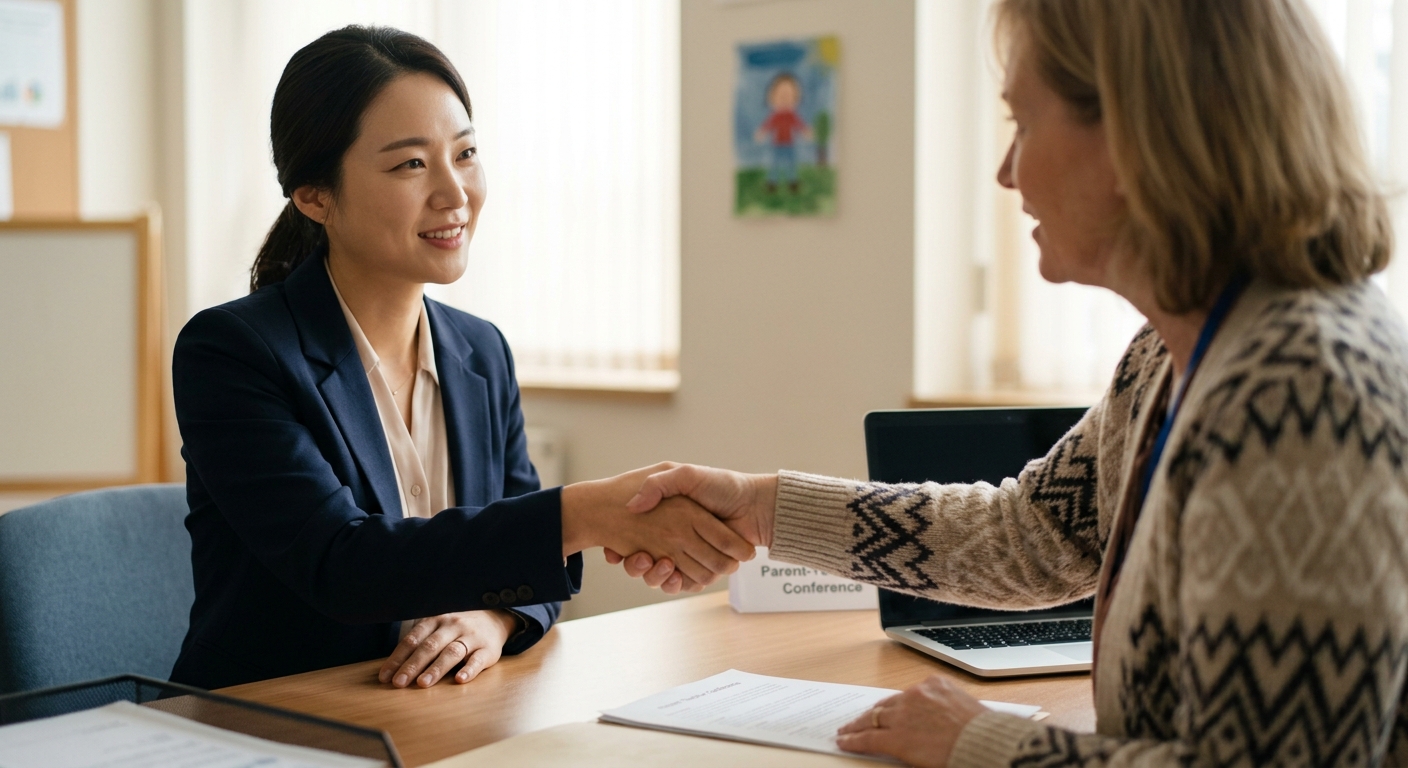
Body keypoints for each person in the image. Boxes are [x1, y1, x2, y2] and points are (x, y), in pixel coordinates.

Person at [615, 0, 1408, 765]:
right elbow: (1034, 536)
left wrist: (989, 745)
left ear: (1139, 138)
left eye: (1022, 125)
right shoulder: (1172, 353)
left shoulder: (1302, 399)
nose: (1003, 171)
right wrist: (762, 508)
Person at [170, 26, 752, 692]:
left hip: (442, 716)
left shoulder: (480, 352)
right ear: (314, 196)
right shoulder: (232, 352)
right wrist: (590, 511)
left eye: (465, 153)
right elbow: (342, 564)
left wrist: (494, 619)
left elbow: (533, 568)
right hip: (272, 719)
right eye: (411, 164)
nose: (455, 193)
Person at [754, 72, 811, 194]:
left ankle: (793, 182)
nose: (784, 99)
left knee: (791, 164)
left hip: (789, 144)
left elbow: (799, 124)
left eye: (789, 96)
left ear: (795, 98)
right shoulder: (775, 116)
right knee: (775, 164)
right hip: (777, 145)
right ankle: (772, 183)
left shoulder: (792, 115)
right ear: (772, 98)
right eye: (781, 96)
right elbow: (767, 125)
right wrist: (761, 133)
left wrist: (806, 131)